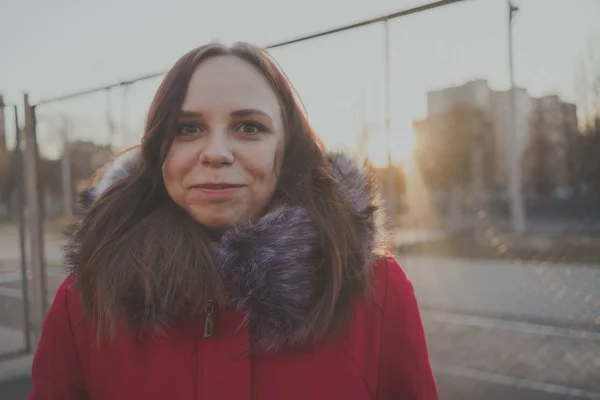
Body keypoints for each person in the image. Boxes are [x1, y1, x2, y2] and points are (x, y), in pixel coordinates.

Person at [28, 42, 438, 400]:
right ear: (158, 152)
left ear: (288, 150)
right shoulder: (85, 298)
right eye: (188, 128)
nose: (216, 152)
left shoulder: (378, 290)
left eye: (249, 127)